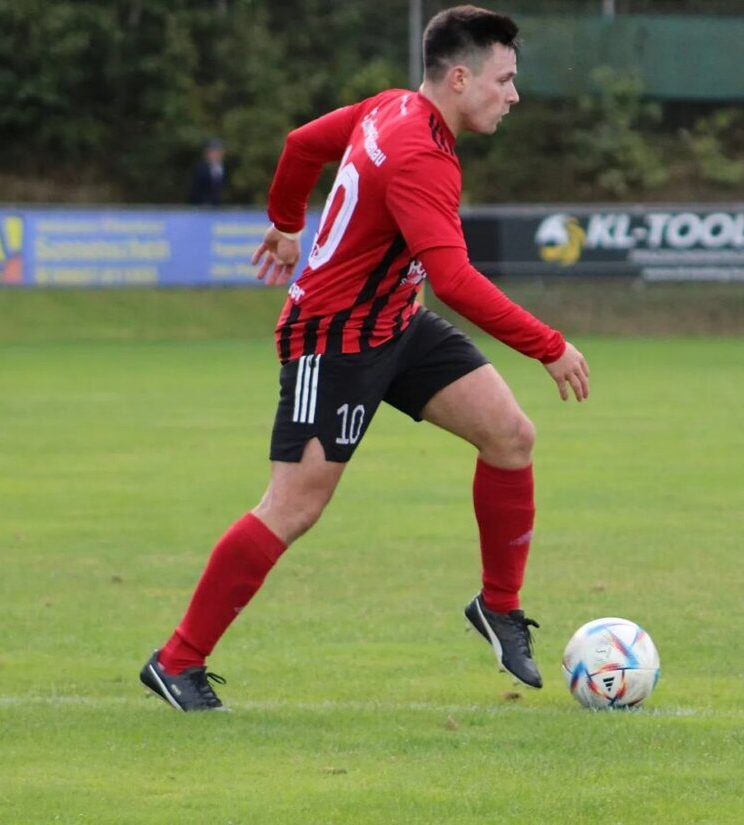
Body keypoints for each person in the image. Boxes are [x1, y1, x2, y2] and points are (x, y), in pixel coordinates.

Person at [141, 5, 589, 711]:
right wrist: (549, 343)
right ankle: (177, 660)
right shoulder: (420, 155)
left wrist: (287, 223)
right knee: (291, 506)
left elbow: (300, 144)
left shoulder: (390, 108)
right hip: (332, 337)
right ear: (463, 77)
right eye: (504, 80)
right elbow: (457, 281)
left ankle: (498, 607)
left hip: (395, 323)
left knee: (510, 435)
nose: (514, 95)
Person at [187, 138, 226, 206]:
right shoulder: (200, 169)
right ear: (206, 154)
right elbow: (195, 190)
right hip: (201, 206)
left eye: (217, 152)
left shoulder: (221, 168)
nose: (214, 155)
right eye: (212, 152)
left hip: (216, 206)